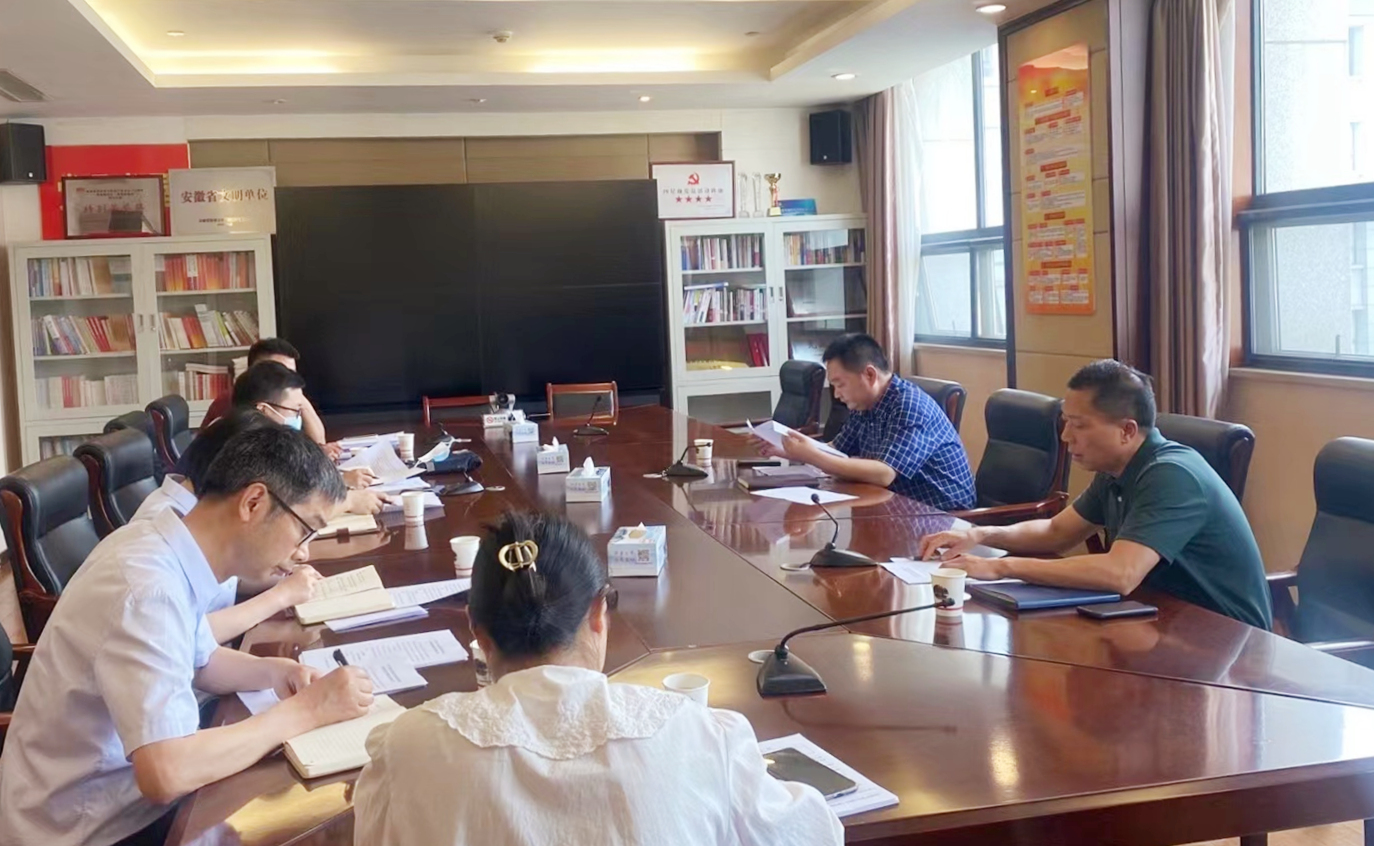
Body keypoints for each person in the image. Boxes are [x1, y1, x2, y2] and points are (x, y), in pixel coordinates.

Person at [352, 511, 843, 846]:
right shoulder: (697, 735)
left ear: (476, 632)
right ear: (597, 614)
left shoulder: (407, 749)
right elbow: (813, 833)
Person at [0, 426, 375, 846]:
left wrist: (277, 673)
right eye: (305, 530)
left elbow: (200, 659)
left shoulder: (163, 546)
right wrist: (306, 711)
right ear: (253, 502)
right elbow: (167, 773)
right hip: (86, 830)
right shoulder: (148, 589)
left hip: (122, 805)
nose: (303, 552)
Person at [919, 359, 1272, 629]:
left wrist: (999, 567)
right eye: (1065, 422)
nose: (1065, 437)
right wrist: (981, 535)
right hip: (1157, 617)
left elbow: (1120, 573)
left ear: (1127, 431)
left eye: (1079, 425)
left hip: (1224, 641)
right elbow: (1056, 531)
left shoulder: (1172, 475)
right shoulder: (1117, 468)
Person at [131, 408, 322, 646]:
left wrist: (282, 575)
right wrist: (280, 596)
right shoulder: (162, 529)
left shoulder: (200, 511)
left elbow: (229, 581)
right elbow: (190, 636)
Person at [756, 333, 975, 511]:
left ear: (869, 375)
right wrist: (787, 449)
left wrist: (811, 456)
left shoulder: (909, 405)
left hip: (943, 516)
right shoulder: (864, 405)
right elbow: (836, 450)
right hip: (894, 506)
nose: (837, 394)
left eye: (840, 384)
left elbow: (884, 473)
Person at [230, 362, 384, 498]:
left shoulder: (265, 440)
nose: (299, 417)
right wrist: (342, 484)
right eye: (295, 410)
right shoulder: (248, 451)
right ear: (264, 410)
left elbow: (299, 476)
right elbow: (288, 499)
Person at [202, 338, 331, 451]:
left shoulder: (288, 398)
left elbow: (319, 441)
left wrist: (299, 399)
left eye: (291, 373)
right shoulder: (229, 401)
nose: (288, 378)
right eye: (278, 372)